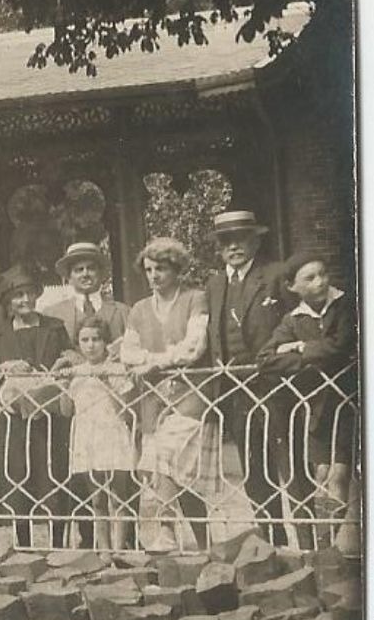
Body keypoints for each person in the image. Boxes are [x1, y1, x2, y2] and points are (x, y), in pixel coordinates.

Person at [120, 237, 222, 551]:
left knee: (166, 458)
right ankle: (203, 543)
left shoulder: (194, 298)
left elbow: (194, 346)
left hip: (190, 396)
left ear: (176, 269)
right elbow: (128, 351)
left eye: (161, 269)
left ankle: (165, 528)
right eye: (149, 270)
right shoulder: (138, 309)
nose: (153, 275)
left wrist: (155, 362)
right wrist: (150, 362)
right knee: (175, 476)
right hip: (153, 401)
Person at [204, 210, 293, 544]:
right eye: (226, 241)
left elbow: (295, 320)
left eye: (240, 238)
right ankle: (274, 541)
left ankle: (313, 544)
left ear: (255, 238)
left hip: (276, 385)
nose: (234, 246)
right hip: (236, 391)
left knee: (290, 465)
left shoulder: (275, 275)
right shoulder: (215, 284)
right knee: (254, 470)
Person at [260, 253, 358, 550]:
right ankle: (326, 543)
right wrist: (306, 360)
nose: (321, 282)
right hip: (316, 408)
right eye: (310, 278)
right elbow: (265, 359)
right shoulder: (293, 319)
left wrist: (300, 348)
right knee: (321, 474)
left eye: (323, 274)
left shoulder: (343, 306)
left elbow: (341, 346)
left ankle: (342, 548)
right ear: (293, 287)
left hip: (346, 403)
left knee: (340, 473)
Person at [0, 265, 73, 548]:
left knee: (53, 474)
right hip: (13, 421)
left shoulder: (54, 327)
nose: (24, 300)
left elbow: (69, 360)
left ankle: (59, 543)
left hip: (49, 418)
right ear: (8, 302)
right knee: (17, 476)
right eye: (17, 295)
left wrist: (63, 365)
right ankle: (24, 545)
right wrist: (3, 368)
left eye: (29, 294)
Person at [59, 318, 138, 550]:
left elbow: (126, 411)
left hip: (112, 434)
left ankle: (120, 547)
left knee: (119, 496)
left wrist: (108, 382)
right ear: (78, 344)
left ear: (106, 342)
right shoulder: (77, 372)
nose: (91, 345)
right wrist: (64, 386)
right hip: (87, 437)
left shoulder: (116, 368)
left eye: (96, 339)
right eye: (85, 340)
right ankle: (103, 549)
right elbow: (66, 411)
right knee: (97, 499)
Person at [49, 241, 131, 347]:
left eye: (91, 268)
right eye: (79, 270)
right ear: (69, 277)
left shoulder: (123, 312)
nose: (85, 274)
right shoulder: (53, 315)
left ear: (101, 273)